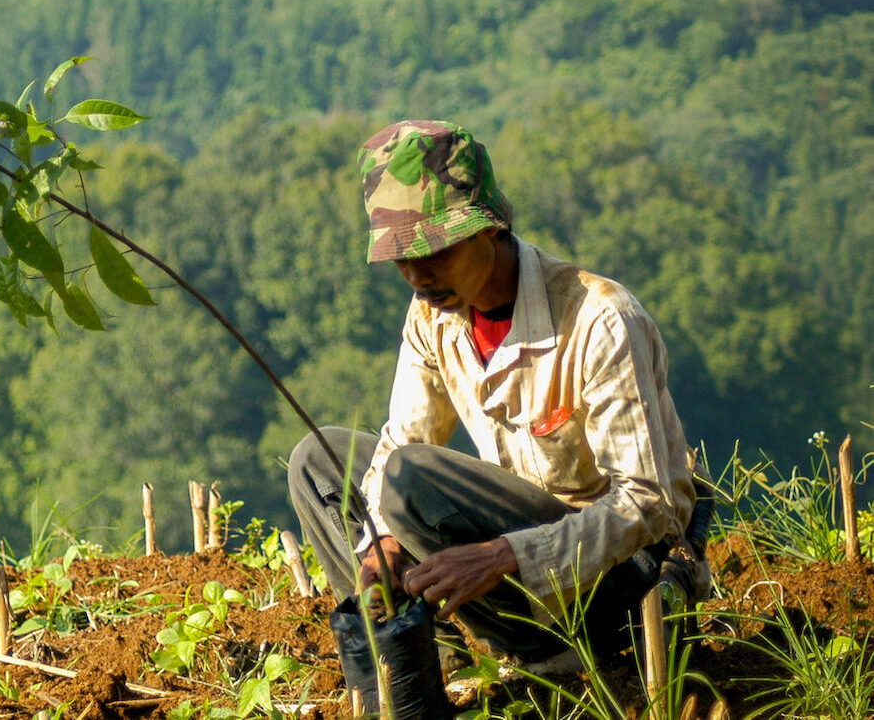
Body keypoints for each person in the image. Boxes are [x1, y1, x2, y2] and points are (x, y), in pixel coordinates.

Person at [287, 119, 710, 670]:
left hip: (610, 584)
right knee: (320, 461)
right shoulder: (432, 318)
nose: (416, 276)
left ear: (488, 227)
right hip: (505, 548)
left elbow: (651, 504)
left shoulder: (600, 320)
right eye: (401, 259)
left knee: (408, 478)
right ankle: (418, 656)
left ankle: (556, 654)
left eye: (434, 253)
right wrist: (382, 541)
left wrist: (507, 555)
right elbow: (402, 438)